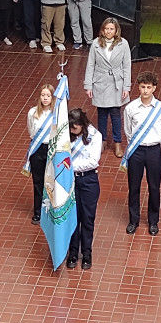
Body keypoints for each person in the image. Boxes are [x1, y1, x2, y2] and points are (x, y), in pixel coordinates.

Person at [122, 71, 161, 237]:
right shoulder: (131, 108)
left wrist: (155, 142)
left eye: (149, 87)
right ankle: (133, 220)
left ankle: (153, 221)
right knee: (133, 186)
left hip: (154, 150)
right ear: (139, 88)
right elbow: (128, 130)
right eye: (143, 87)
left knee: (154, 186)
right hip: (136, 150)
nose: (145, 91)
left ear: (154, 88)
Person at [83, 17, 131, 158]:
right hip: (100, 82)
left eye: (112, 29)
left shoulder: (123, 44)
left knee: (116, 114)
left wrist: (126, 86)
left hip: (117, 83)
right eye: (107, 29)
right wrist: (88, 85)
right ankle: (102, 140)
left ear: (116, 30)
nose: (109, 31)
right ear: (103, 30)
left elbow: (127, 66)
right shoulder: (95, 44)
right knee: (102, 114)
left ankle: (117, 143)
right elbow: (90, 65)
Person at [66, 108, 101, 270]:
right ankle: (72, 252)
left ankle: (87, 253)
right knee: (72, 218)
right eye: (71, 127)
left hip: (88, 180)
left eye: (75, 127)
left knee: (87, 219)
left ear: (83, 124)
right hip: (70, 181)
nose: (72, 130)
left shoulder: (95, 136)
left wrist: (70, 166)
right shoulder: (66, 135)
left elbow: (93, 161)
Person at [23, 84, 54, 225]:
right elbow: (31, 130)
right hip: (37, 149)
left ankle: (53, 209)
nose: (45, 98)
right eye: (43, 95)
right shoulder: (32, 112)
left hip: (52, 149)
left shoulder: (57, 113)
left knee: (52, 180)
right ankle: (38, 211)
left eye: (48, 95)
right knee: (38, 181)